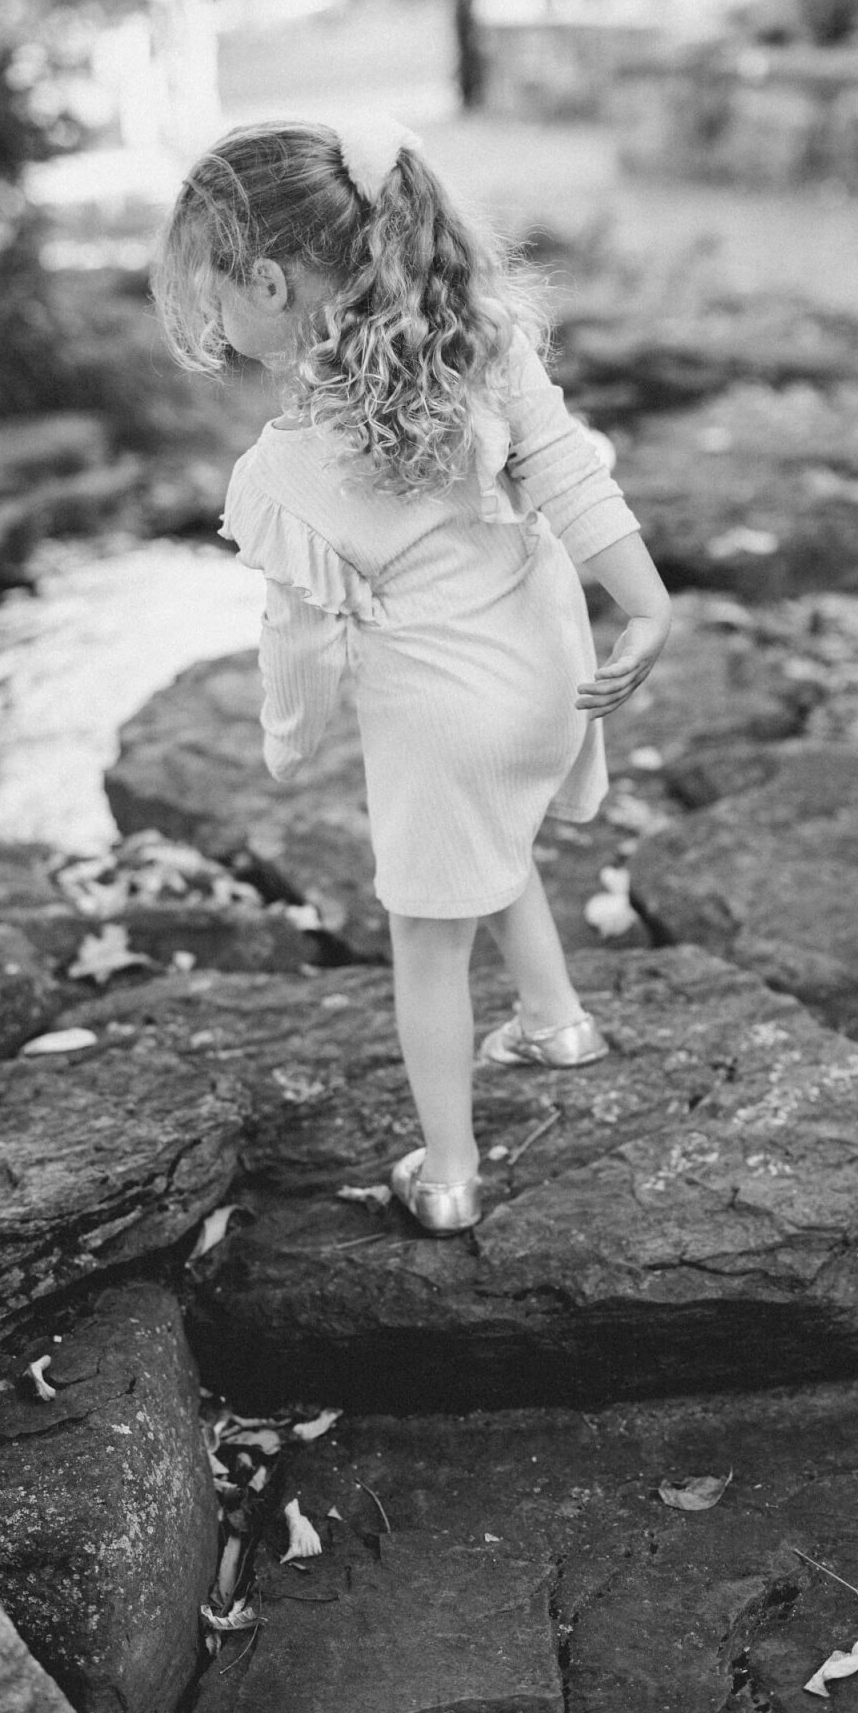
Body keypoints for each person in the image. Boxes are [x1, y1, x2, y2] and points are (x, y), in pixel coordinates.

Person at [153, 118, 672, 1236]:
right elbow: (568, 471)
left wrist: (288, 739)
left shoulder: (283, 472)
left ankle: (446, 1171)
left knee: (427, 940)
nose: (212, 316)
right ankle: (556, 1020)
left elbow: (300, 642)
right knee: (494, 834)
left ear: (269, 283)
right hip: (549, 673)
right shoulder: (479, 344)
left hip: (441, 717)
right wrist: (647, 604)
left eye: (214, 292)